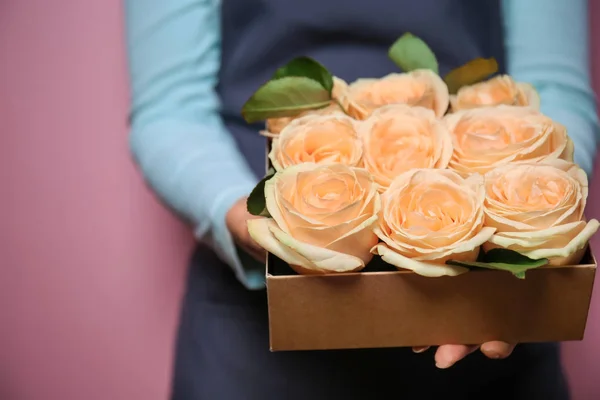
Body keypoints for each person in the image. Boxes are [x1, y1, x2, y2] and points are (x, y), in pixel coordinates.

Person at [123, 0, 599, 398]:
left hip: (488, 314)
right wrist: (247, 220)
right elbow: (172, 109)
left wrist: (527, 227)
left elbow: (554, 88)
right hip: (255, 333)